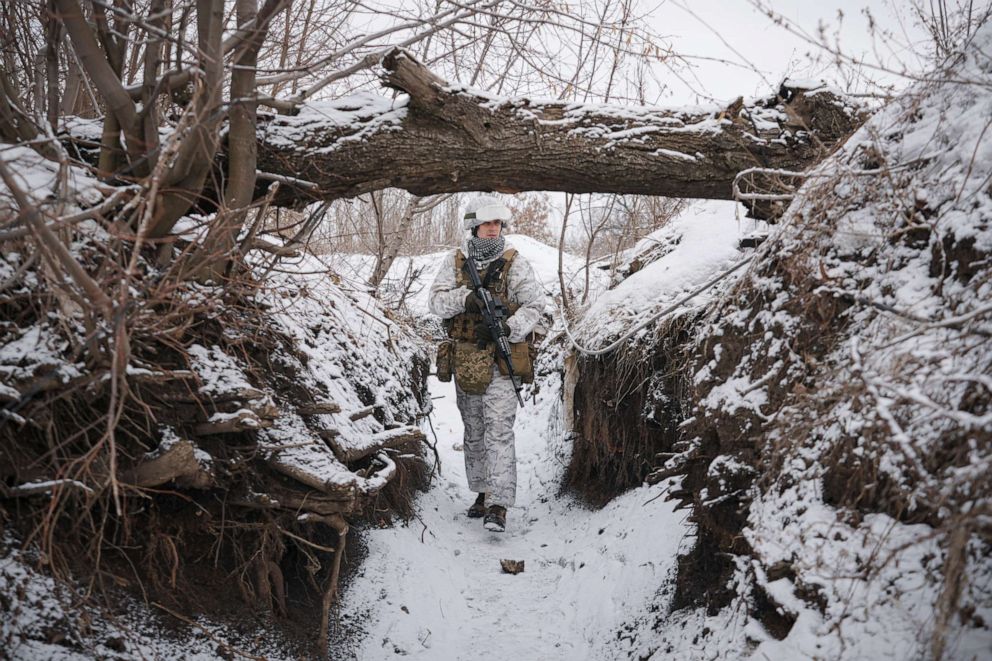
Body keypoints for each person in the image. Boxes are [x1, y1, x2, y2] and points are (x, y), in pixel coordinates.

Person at [429, 196, 546, 533]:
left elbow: (534, 305)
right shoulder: (456, 262)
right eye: (487, 223)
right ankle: (482, 492)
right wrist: (464, 299)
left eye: (498, 224)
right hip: (466, 360)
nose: (493, 229)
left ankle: (499, 504)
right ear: (474, 226)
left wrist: (509, 328)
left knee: (498, 431)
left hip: (500, 359)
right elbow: (435, 302)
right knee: (475, 431)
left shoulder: (515, 263)